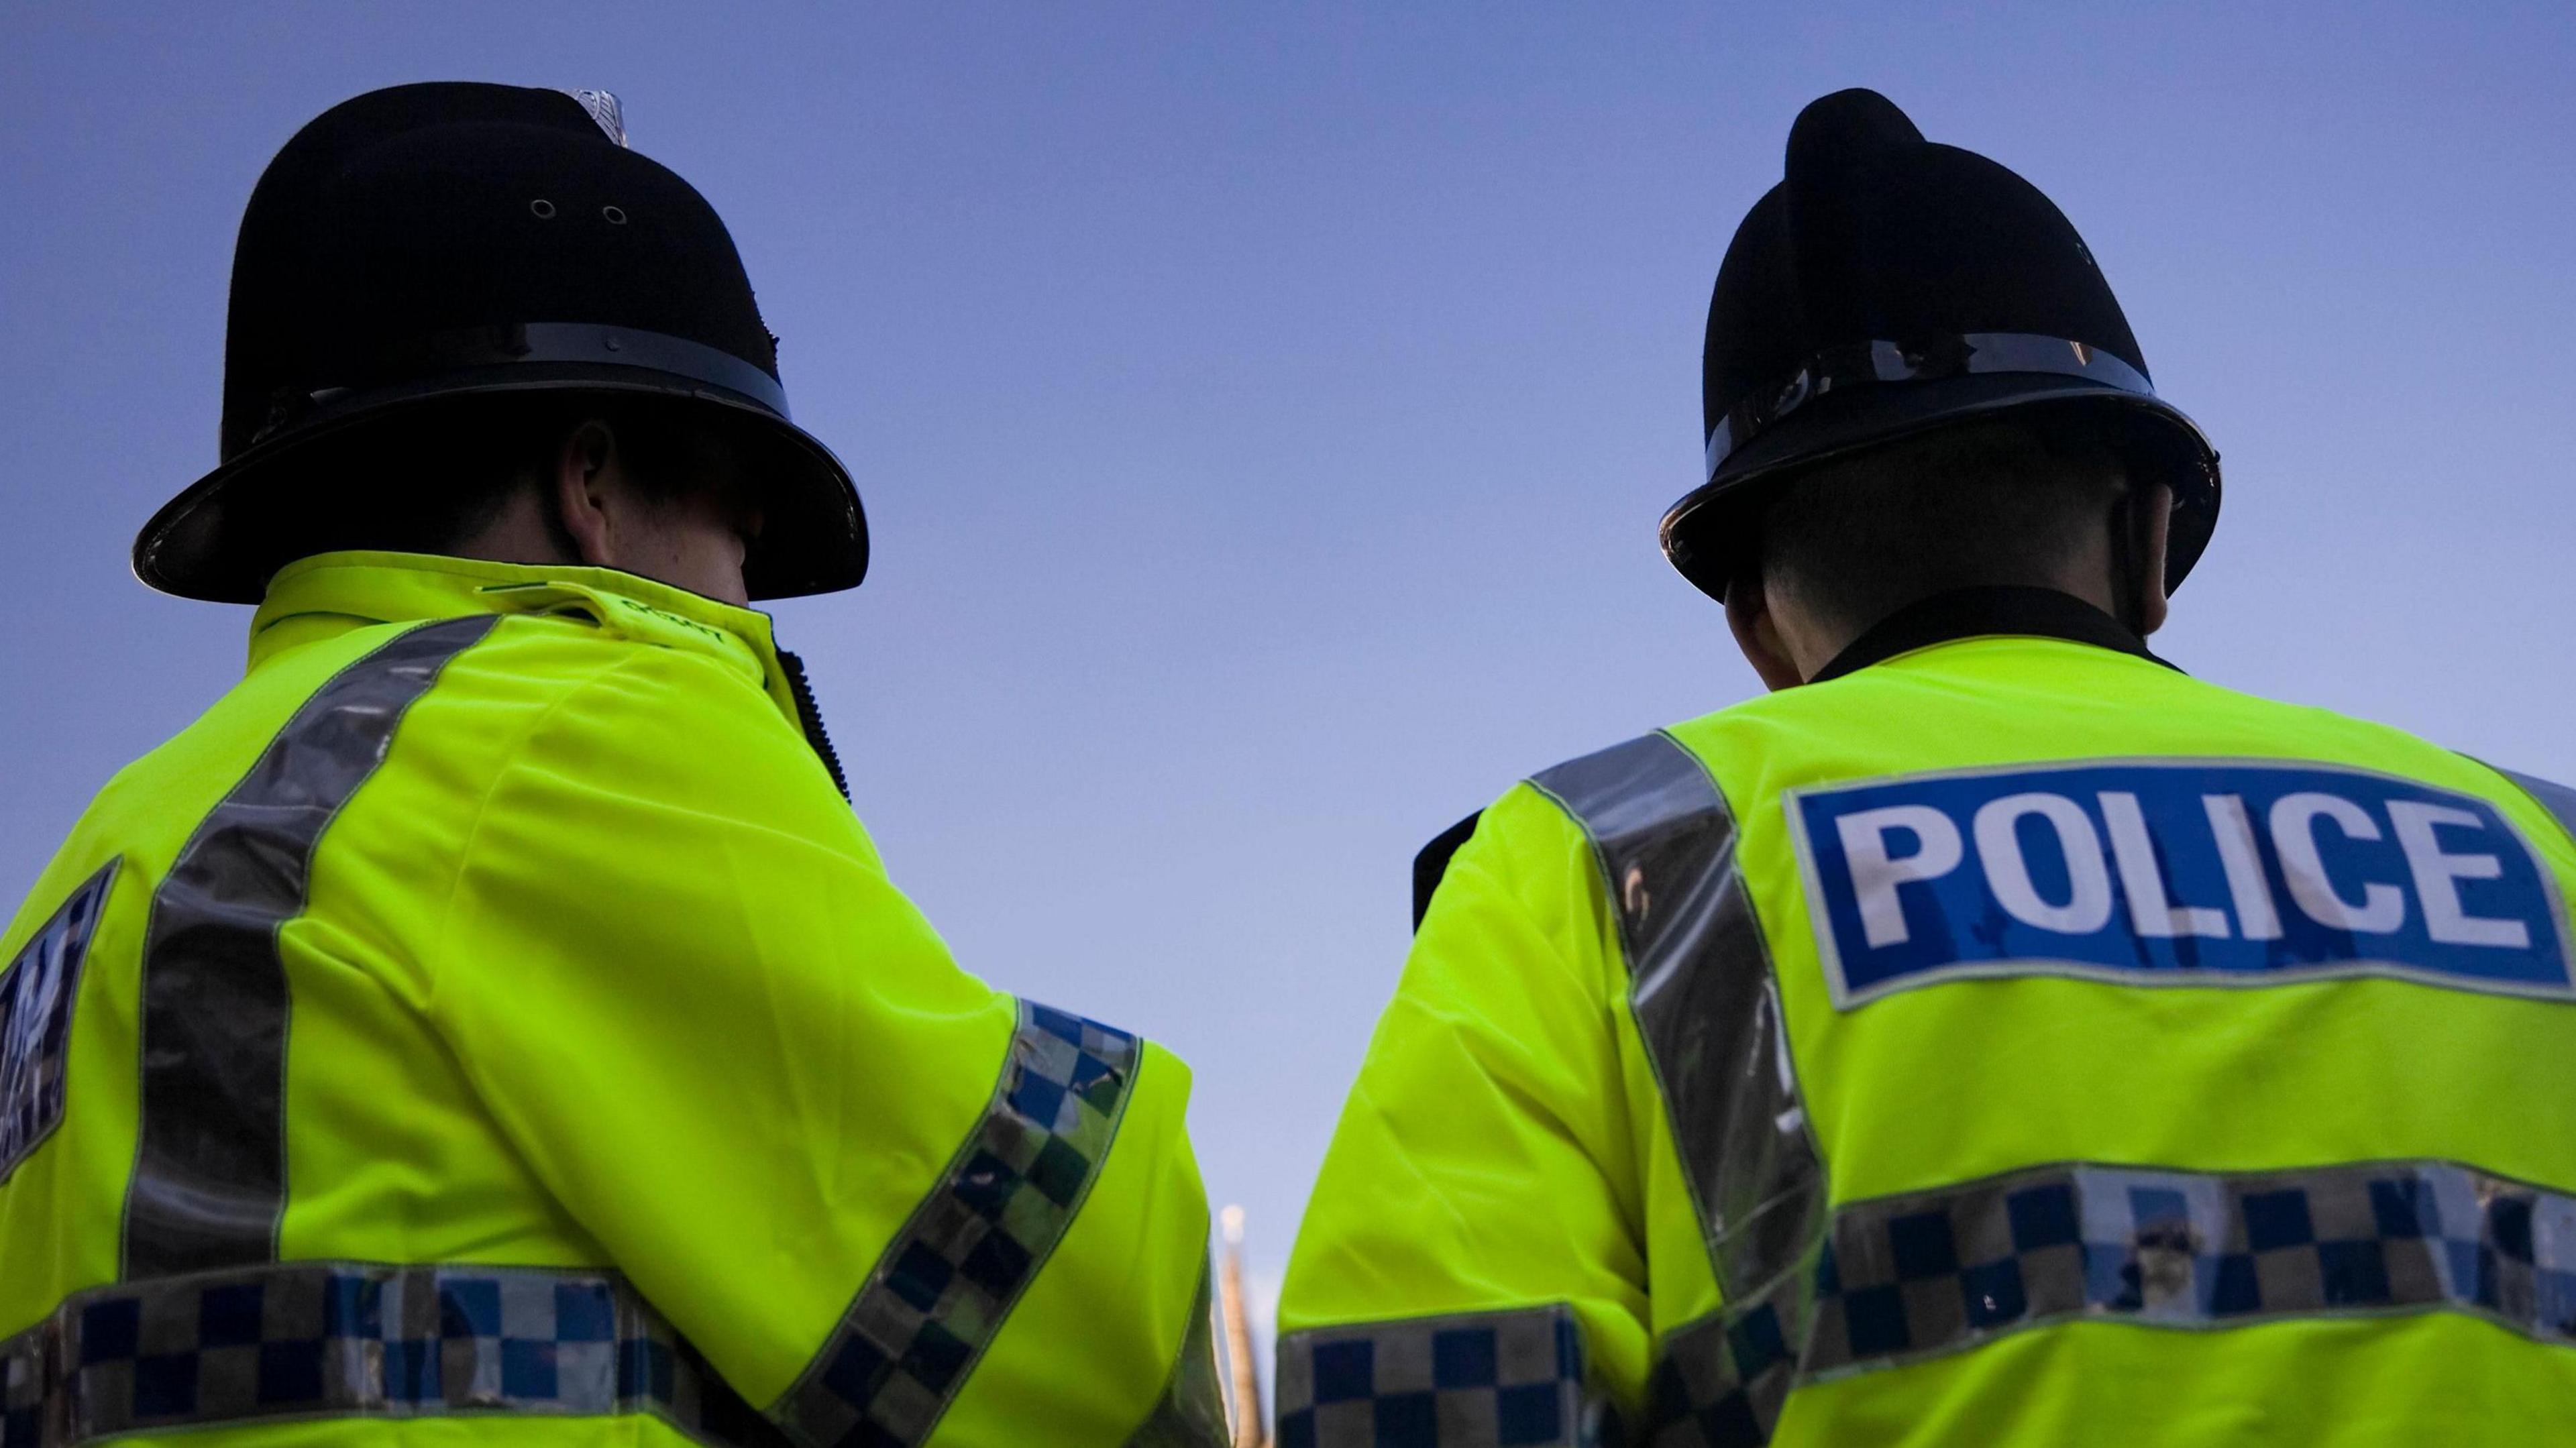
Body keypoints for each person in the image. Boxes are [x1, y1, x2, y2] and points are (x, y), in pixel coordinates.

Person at [1276, 89, 2576, 1447]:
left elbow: (1411, 1401)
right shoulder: (2548, 850)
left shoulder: (1594, 863)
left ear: (1759, 626)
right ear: (2146, 537)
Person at [0, 83, 1224, 1447]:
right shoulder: (559, 722)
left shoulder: (108, 860)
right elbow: (1059, 1310)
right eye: (741, 527)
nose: (751, 583)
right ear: (592, 482)